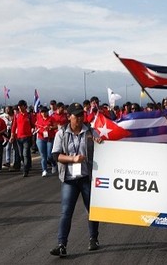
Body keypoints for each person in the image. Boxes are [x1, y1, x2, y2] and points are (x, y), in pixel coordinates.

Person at [49, 103, 102, 258]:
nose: (79, 118)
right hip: (69, 179)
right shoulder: (62, 133)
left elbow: (104, 147)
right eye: (76, 115)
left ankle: (94, 238)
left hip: (86, 177)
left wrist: (100, 143)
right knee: (66, 212)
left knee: (92, 210)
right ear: (69, 116)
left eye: (81, 115)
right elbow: (55, 155)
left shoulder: (91, 131)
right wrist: (73, 159)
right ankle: (62, 244)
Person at [11, 100, 34, 176]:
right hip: (19, 138)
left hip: (27, 137)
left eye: (21, 106)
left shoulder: (29, 115)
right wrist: (12, 135)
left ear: (25, 106)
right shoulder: (17, 115)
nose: (19, 108)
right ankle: (27, 165)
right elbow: (14, 126)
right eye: (18, 106)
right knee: (21, 155)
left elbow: (33, 125)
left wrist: (33, 130)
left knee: (25, 154)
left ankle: (25, 170)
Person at [35, 106, 56, 177]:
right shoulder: (39, 119)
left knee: (49, 155)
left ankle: (53, 164)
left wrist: (50, 127)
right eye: (42, 112)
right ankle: (44, 170)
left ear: (47, 112)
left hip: (50, 138)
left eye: (45, 112)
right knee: (43, 156)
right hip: (41, 138)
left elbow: (56, 126)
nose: (43, 113)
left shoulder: (51, 119)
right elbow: (36, 126)